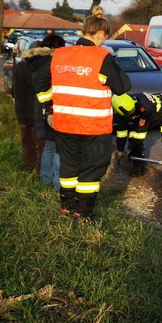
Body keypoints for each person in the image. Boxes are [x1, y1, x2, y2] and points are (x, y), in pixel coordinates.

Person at [34, 13, 130, 220]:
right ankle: (83, 212)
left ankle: (66, 207)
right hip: (93, 127)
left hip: (64, 124)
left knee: (69, 166)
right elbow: (123, 87)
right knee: (92, 170)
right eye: (105, 36)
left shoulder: (59, 55)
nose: (104, 40)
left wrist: (49, 103)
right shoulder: (102, 57)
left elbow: (39, 80)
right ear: (101, 33)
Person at [112, 91, 162, 176]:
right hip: (149, 116)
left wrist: (129, 149)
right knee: (133, 138)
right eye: (129, 113)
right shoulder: (120, 112)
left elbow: (140, 134)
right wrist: (120, 150)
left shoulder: (144, 105)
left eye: (133, 111)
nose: (132, 114)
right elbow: (121, 132)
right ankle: (139, 169)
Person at [27, 33, 66, 189]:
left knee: (49, 147)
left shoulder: (32, 62)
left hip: (39, 110)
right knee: (58, 148)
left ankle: (45, 180)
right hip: (52, 111)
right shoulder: (52, 64)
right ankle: (57, 184)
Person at [11, 45, 43, 172]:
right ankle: (40, 171)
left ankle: (27, 167)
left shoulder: (19, 67)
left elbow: (13, 90)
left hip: (21, 112)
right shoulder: (37, 68)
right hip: (35, 112)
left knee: (27, 143)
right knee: (40, 145)